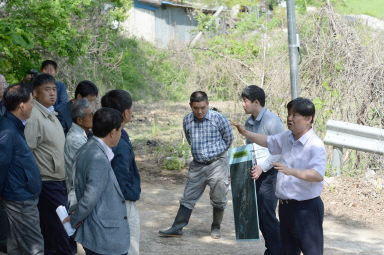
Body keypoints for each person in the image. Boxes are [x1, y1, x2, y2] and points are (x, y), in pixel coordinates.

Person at [234, 97, 326, 255]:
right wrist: (246, 133)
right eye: (289, 114)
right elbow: (267, 141)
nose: (289, 118)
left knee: (312, 252)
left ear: (308, 118)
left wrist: (292, 171)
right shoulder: (287, 137)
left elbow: (317, 175)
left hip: (307, 209)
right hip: (285, 207)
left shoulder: (315, 145)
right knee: (288, 251)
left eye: (295, 115)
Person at [159, 91, 234, 239]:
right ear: (190, 106)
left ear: (208, 104)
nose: (199, 111)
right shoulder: (187, 120)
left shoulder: (219, 119)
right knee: (188, 197)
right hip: (197, 165)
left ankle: (216, 226)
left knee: (219, 197)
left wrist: (216, 155)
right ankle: (177, 227)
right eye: (195, 108)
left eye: (203, 107)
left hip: (217, 163)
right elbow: (189, 139)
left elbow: (229, 139)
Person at [65, 107, 130, 255]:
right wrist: (73, 219)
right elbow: (89, 198)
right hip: (104, 237)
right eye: (120, 130)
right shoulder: (97, 158)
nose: (121, 134)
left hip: (99, 234)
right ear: (113, 133)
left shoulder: (87, 148)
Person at [24, 73, 73, 255]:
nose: (52, 93)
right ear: (35, 93)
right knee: (58, 230)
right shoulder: (34, 116)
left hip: (58, 179)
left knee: (56, 230)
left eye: (54, 89)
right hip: (47, 182)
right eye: (47, 90)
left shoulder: (50, 113)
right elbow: (27, 151)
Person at [0, 84, 44, 255]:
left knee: (16, 248)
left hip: (21, 195)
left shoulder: (14, 125)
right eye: (31, 102)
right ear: (21, 106)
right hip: (19, 200)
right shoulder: (7, 131)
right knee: (34, 249)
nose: (33, 106)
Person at [241, 85, 283, 255]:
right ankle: (274, 249)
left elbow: (280, 151)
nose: (243, 105)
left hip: (271, 174)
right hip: (255, 174)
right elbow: (249, 150)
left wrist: (263, 167)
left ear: (256, 102)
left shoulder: (273, 122)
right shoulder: (248, 123)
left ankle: (278, 250)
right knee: (259, 216)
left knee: (267, 214)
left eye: (245, 101)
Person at [101, 90, 141, 255]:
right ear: (125, 113)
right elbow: (120, 179)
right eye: (131, 109)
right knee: (129, 249)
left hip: (109, 204)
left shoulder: (103, 135)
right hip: (122, 205)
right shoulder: (119, 141)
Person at [64, 98, 94, 208]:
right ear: (80, 120)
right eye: (90, 115)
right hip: (78, 195)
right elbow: (88, 169)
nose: (93, 117)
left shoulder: (84, 134)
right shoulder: (76, 139)